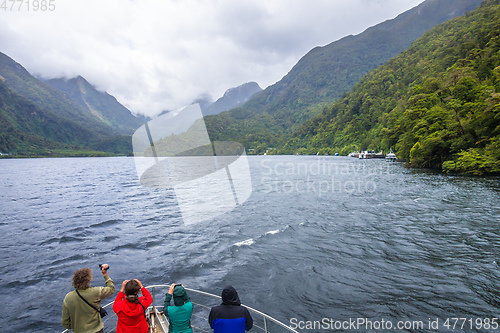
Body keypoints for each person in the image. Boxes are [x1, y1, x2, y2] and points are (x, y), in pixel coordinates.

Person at [61, 264, 115, 333]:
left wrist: (77, 326)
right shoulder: (96, 292)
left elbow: (65, 323)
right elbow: (111, 289)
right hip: (97, 330)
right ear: (88, 280)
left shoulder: (68, 297)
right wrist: (105, 274)